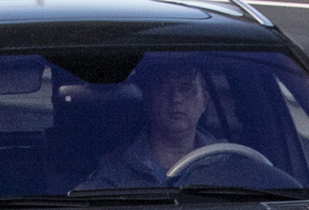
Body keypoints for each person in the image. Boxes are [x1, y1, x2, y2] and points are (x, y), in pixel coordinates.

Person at [78, 60, 221, 189]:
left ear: (204, 101)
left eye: (186, 89)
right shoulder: (115, 171)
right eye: (163, 89)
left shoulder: (229, 160)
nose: (176, 98)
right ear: (147, 100)